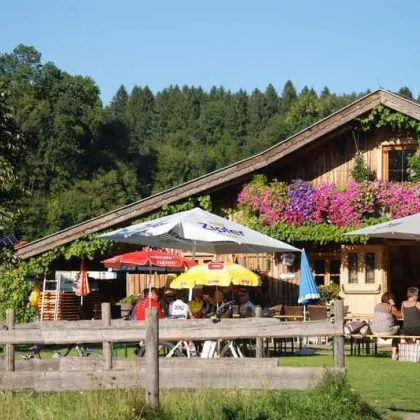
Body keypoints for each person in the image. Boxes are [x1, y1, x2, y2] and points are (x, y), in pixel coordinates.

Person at [371, 292, 401, 360]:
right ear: (389, 299)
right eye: (392, 299)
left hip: (374, 331)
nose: (394, 300)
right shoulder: (391, 307)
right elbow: (399, 315)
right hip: (387, 332)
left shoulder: (377, 306)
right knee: (398, 330)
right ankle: (394, 354)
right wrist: (393, 306)